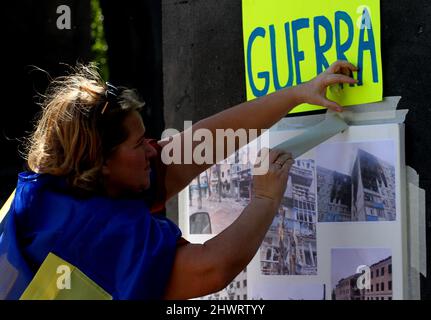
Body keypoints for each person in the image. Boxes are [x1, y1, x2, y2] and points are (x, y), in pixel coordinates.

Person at [0, 60, 357, 300]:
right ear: (102, 161)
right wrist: (264, 199)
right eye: (140, 144)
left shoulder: (59, 189)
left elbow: (197, 148)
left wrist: (297, 94)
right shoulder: (86, 232)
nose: (154, 151)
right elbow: (211, 269)